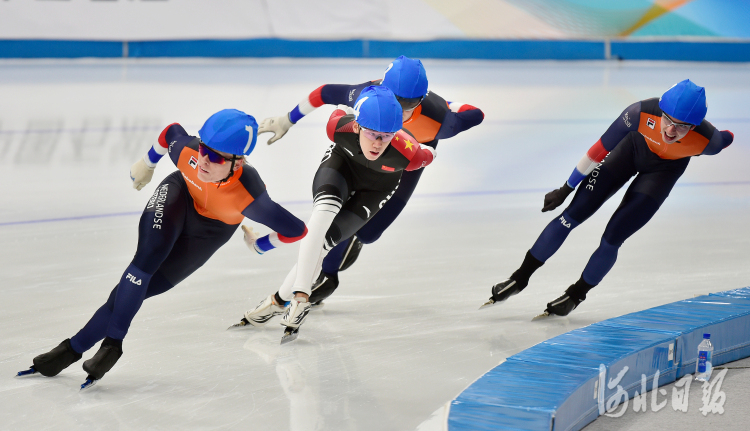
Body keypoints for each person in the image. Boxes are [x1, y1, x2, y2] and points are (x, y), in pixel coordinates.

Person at [18, 109, 307, 388]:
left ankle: (71, 349)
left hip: (209, 233)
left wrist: (260, 245)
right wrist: (147, 163)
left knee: (135, 292)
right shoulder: (187, 152)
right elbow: (171, 132)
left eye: (216, 157)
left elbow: (297, 230)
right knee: (145, 261)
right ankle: (112, 345)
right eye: (203, 149)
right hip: (179, 196)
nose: (204, 160)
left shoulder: (252, 198)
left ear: (238, 162)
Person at [481, 79, 734, 317]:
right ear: (661, 111)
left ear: (694, 126)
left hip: (663, 173)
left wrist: (727, 136)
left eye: (682, 126)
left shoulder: (709, 141)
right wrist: (565, 189)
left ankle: (576, 294)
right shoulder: (639, 112)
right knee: (571, 216)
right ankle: (519, 278)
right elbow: (599, 150)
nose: (670, 130)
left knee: (612, 239)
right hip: (630, 150)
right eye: (667, 120)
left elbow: (726, 138)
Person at [258, 55, 483, 306]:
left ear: (421, 100)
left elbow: (475, 114)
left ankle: (352, 240)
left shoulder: (439, 119)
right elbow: (324, 93)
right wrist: (287, 119)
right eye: (394, 99)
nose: (398, 110)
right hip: (364, 150)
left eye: (410, 103)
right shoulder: (366, 95)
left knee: (369, 233)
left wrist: (446, 104)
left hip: (404, 160)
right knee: (335, 214)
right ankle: (328, 274)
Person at [235, 85, 436, 343]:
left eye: (386, 136)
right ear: (356, 126)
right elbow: (334, 100)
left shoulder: (410, 154)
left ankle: (277, 302)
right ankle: (300, 298)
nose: (377, 143)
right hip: (341, 167)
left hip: (375, 190)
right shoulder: (338, 127)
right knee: (319, 220)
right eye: (372, 133)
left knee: (324, 245)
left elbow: (431, 152)